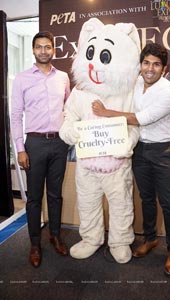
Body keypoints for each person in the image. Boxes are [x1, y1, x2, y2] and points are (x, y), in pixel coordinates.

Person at [92, 43, 170, 276]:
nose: (150, 68)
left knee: (168, 203)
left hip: (162, 152)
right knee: (146, 199)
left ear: (164, 68)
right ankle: (150, 239)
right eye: (146, 62)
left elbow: (141, 119)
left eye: (156, 64)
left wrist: (106, 113)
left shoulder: (169, 92)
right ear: (140, 65)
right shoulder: (138, 81)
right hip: (140, 150)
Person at [11, 31, 70, 268]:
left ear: (53, 50)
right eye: (39, 47)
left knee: (55, 194)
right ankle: (35, 243)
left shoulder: (64, 77)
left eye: (48, 47)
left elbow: (68, 108)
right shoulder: (22, 79)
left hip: (59, 143)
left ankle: (55, 235)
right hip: (33, 144)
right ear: (33, 50)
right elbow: (15, 116)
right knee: (35, 198)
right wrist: (20, 149)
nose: (43, 51)